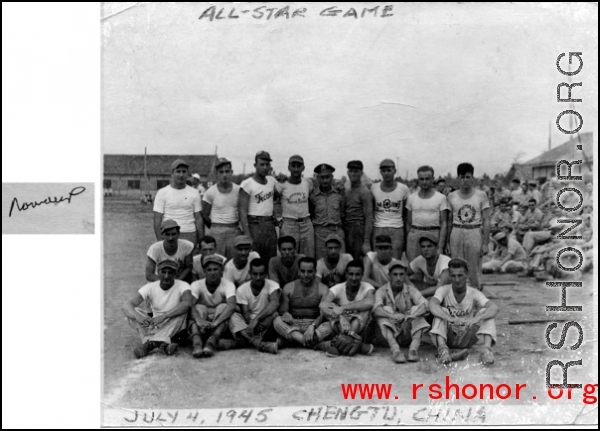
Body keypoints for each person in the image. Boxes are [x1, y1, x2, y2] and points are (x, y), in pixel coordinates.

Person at [428, 258, 499, 365]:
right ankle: (443, 350)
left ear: (466, 275)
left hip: (467, 335)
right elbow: (432, 304)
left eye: (460, 275)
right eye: (453, 276)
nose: (457, 279)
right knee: (441, 311)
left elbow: (494, 307)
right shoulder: (443, 290)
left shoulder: (473, 292)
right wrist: (450, 318)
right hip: (448, 336)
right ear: (450, 276)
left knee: (486, 312)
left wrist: (475, 319)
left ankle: (486, 350)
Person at [122, 260, 194, 359]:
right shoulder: (150, 287)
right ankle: (162, 344)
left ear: (175, 273)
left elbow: (187, 303)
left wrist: (164, 316)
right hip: (156, 325)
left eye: (170, 272)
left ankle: (151, 343)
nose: (166, 276)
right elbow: (127, 305)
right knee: (133, 312)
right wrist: (139, 317)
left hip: (174, 326)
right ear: (158, 272)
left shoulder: (183, 285)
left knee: (182, 311)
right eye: (163, 272)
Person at [373, 261, 430, 363]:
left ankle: (413, 350)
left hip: (405, 333)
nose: (398, 278)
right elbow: (376, 309)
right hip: (386, 336)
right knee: (385, 309)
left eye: (401, 274)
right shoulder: (381, 290)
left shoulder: (411, 290)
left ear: (405, 276)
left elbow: (426, 304)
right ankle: (396, 351)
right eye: (395, 275)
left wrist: (413, 315)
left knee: (417, 310)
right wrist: (392, 315)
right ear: (389, 275)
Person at [446, 163, 491, 290]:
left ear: (472, 178)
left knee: (474, 267)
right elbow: (449, 220)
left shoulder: (481, 195)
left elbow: (487, 219)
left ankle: (476, 292)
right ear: (458, 178)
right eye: (462, 177)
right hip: (457, 231)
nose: (465, 180)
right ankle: (458, 295)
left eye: (467, 177)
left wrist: (486, 243)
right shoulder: (452, 196)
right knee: (456, 264)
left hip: (474, 230)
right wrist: (448, 242)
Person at [319, 260, 375, 357]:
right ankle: (357, 344)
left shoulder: (367, 287)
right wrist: (341, 316)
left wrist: (343, 308)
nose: (354, 278)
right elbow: (323, 304)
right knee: (328, 308)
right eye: (351, 274)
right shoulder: (338, 288)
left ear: (362, 275)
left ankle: (337, 345)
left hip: (358, 324)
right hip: (340, 324)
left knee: (366, 309)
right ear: (346, 275)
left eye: (357, 274)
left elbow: (370, 302)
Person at [273, 257, 333, 348]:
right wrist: (285, 313)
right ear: (298, 272)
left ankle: (293, 342)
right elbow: (282, 309)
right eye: (303, 271)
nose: (306, 275)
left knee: (331, 325)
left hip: (314, 325)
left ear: (315, 272)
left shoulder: (323, 289)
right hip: (294, 324)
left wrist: (312, 326)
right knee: (277, 321)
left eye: (309, 271)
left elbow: (323, 314)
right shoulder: (289, 287)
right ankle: (314, 344)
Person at [188, 255, 237, 358]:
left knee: (223, 306)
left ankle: (211, 342)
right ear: (204, 271)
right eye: (209, 270)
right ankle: (197, 343)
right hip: (202, 321)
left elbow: (231, 305)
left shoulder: (228, 284)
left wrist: (216, 323)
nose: (212, 273)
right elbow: (189, 304)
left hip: (218, 322)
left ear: (221, 270)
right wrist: (199, 320)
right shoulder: (197, 284)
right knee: (199, 307)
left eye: (216, 269)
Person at [229, 258, 281, 354]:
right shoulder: (242, 289)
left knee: (275, 314)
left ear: (265, 274)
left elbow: (275, 303)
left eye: (261, 274)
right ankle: (259, 343)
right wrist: (251, 323)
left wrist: (257, 319)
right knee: (233, 316)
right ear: (250, 273)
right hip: (249, 326)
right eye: (255, 274)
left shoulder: (273, 285)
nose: (258, 277)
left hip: (264, 322)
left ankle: (247, 340)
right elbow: (246, 314)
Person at [240, 151, 278, 266]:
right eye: (262, 164)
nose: (265, 167)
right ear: (255, 165)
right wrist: (247, 236)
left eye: (267, 165)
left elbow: (279, 196)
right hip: (254, 225)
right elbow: (242, 210)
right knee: (255, 261)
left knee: (270, 260)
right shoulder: (247, 183)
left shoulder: (272, 181)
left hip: (269, 225)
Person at [153, 159, 203, 246]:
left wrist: (202, 241)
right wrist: (160, 241)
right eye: (178, 171)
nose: (181, 175)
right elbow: (157, 219)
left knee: (189, 259)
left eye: (184, 172)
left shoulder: (194, 192)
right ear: (172, 174)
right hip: (169, 234)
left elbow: (198, 218)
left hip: (190, 234)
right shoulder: (162, 192)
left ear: (187, 174)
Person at [405, 165, 449, 263]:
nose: (424, 182)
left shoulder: (441, 198)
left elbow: (444, 223)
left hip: (433, 234)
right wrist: (408, 242)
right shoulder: (411, 198)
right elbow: (408, 223)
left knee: (433, 271)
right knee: (414, 270)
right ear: (418, 180)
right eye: (422, 179)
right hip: (415, 235)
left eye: (427, 179)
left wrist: (440, 246)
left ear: (433, 179)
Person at [202, 158, 242, 260]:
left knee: (233, 260)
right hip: (216, 232)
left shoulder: (239, 190)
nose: (224, 175)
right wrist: (215, 227)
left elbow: (243, 211)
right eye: (221, 172)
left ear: (231, 172)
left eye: (227, 171)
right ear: (217, 174)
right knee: (217, 260)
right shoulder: (210, 192)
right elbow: (204, 214)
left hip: (233, 231)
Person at [275, 155, 315, 258]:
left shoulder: (308, 183)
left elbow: (311, 201)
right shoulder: (281, 184)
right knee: (289, 257)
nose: (296, 169)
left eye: (299, 166)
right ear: (289, 167)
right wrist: (277, 219)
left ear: (303, 168)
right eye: (293, 166)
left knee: (308, 257)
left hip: (306, 224)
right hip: (289, 224)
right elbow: (271, 200)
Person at [371, 159, 410, 260]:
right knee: (378, 260)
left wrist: (405, 235)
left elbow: (405, 214)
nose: (386, 173)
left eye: (389, 170)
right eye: (383, 171)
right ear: (380, 172)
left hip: (396, 229)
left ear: (394, 171)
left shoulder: (403, 188)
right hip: (378, 227)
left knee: (395, 261)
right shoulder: (374, 188)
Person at [310, 163, 346, 260]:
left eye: (327, 177)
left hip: (337, 231)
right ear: (317, 178)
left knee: (341, 262)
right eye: (322, 177)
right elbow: (312, 213)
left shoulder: (339, 194)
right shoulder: (313, 196)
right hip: (320, 234)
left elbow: (342, 213)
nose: (325, 180)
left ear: (332, 177)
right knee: (320, 262)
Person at [343, 160, 374, 260]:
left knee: (357, 262)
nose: (353, 174)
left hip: (358, 231)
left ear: (361, 173)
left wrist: (366, 241)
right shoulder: (347, 190)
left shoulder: (364, 191)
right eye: (351, 171)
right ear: (347, 172)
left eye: (356, 171)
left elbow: (369, 218)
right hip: (347, 230)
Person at [409, 233, 451, 297]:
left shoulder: (445, 261)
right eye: (423, 247)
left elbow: (440, 287)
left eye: (429, 246)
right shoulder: (420, 259)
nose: (426, 249)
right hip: (428, 289)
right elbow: (403, 273)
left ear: (436, 247)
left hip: (446, 294)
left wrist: (417, 295)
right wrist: (411, 286)